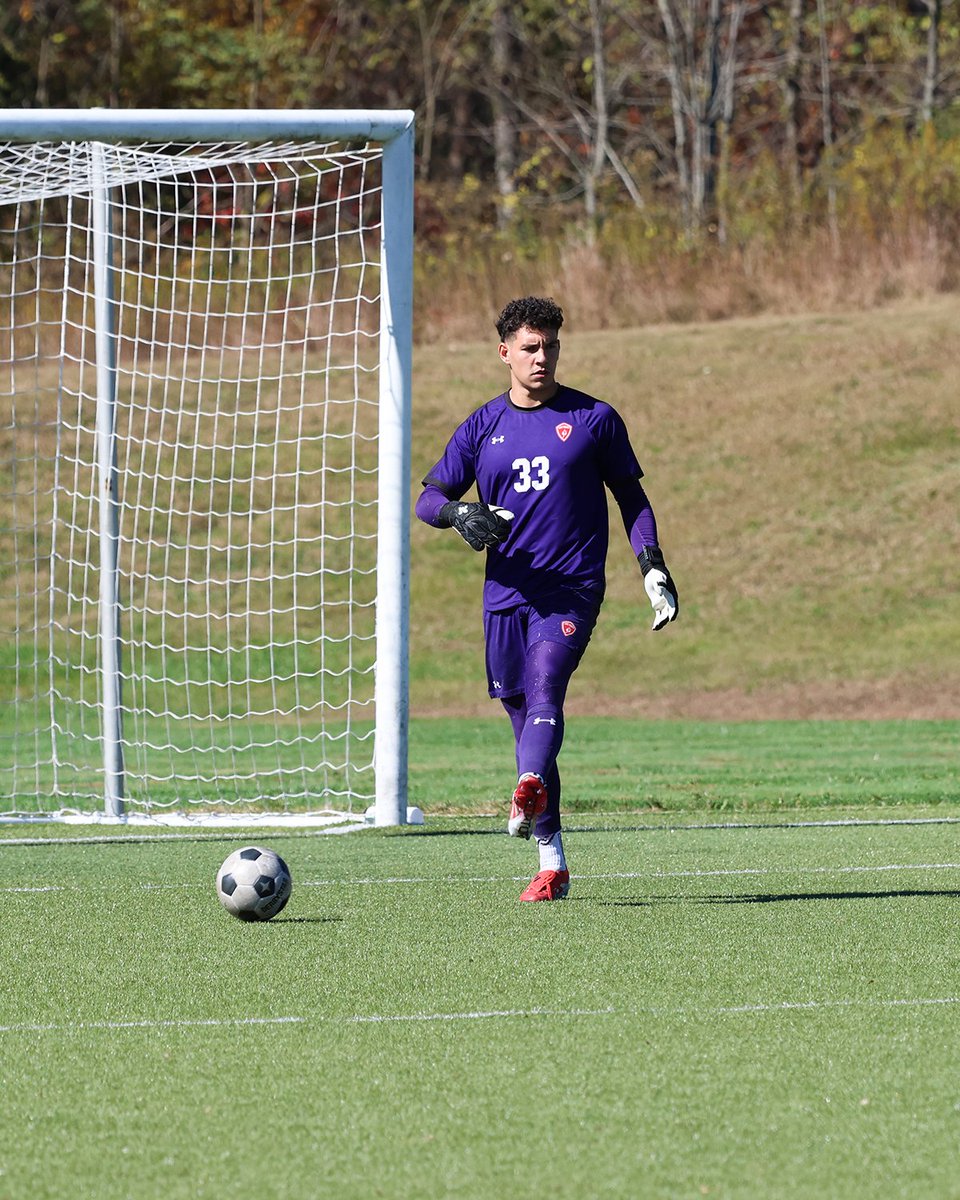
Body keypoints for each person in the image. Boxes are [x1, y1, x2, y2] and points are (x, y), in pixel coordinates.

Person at [415, 296, 678, 902]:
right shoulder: (481, 426)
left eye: (551, 346)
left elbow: (632, 500)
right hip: (505, 594)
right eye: (530, 347)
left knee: (546, 688)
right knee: (522, 713)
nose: (542, 357)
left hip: (570, 589)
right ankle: (551, 862)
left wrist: (652, 567)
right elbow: (429, 499)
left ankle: (528, 783)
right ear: (504, 352)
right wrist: (459, 514)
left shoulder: (594, 419)